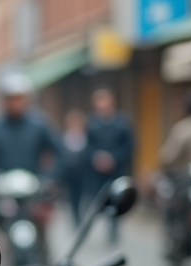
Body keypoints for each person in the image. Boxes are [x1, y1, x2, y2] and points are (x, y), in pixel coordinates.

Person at [0, 73, 58, 175]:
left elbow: (60, 153)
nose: (15, 103)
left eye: (19, 98)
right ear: (5, 100)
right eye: (11, 99)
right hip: (0, 187)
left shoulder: (39, 125)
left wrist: (50, 178)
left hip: (34, 186)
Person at [86, 88, 135, 241]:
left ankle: (114, 228)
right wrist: (97, 157)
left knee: (117, 198)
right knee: (100, 201)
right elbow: (87, 146)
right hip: (97, 172)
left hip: (117, 170)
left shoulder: (122, 123)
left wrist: (114, 158)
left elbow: (130, 146)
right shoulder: (92, 123)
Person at [58, 108, 90, 226]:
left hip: (83, 174)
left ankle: (82, 218)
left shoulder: (87, 138)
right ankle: (76, 219)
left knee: (84, 198)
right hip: (70, 175)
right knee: (72, 198)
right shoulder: (64, 138)